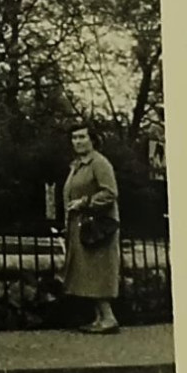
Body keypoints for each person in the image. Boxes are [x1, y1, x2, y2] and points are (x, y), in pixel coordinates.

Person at [62, 122, 120, 334]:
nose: (77, 142)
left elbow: (110, 193)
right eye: (74, 138)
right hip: (82, 227)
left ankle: (108, 317)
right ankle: (100, 317)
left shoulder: (99, 163)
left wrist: (85, 202)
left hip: (98, 229)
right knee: (88, 272)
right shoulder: (77, 164)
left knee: (98, 271)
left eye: (82, 137)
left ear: (92, 139)